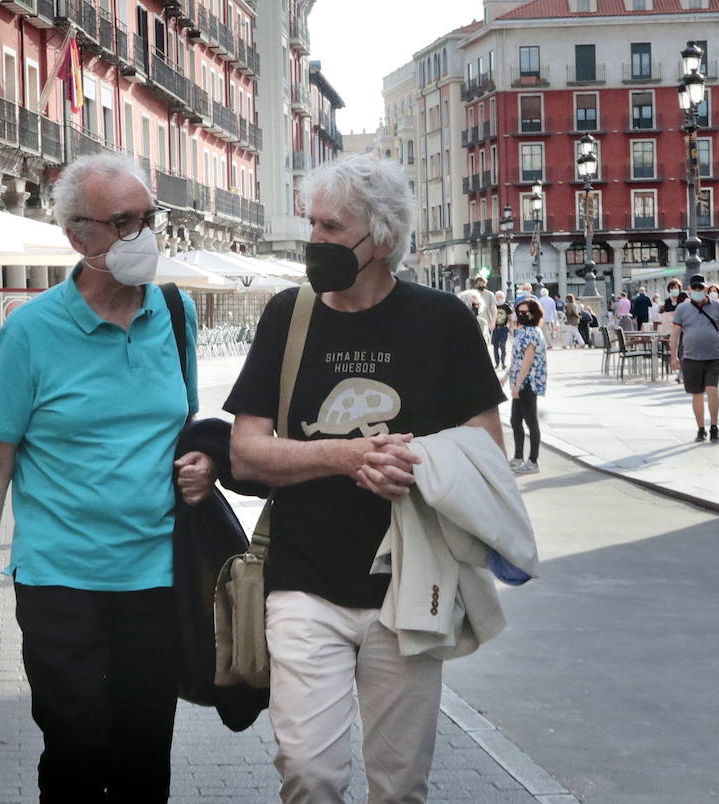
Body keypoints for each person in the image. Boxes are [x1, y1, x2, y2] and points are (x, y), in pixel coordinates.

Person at [225, 154, 506, 804]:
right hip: (303, 584)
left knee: (399, 785)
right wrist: (347, 458)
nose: (314, 241)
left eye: (330, 228)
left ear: (380, 239)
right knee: (308, 773)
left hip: (411, 588)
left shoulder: (444, 322)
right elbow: (244, 453)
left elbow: (487, 448)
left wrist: (413, 467)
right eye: (313, 225)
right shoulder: (286, 318)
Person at [0, 152, 208, 803]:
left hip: (156, 578)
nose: (143, 236)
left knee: (145, 755)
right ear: (79, 237)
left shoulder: (178, 316)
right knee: (76, 748)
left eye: (149, 219)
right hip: (61, 580)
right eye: (123, 223)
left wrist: (204, 462)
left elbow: (186, 426)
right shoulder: (31, 332)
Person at [669, 274, 719, 443]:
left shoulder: (717, 306)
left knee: (712, 389)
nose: (698, 291)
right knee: (697, 394)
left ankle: (714, 426)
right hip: (691, 357)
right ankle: (701, 428)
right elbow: (675, 334)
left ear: (706, 289)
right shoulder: (682, 309)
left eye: (701, 288)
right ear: (690, 290)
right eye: (695, 288)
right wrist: (673, 357)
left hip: (713, 356)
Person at [508, 297, 548, 474]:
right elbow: (517, 359)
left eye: (525, 312)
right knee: (515, 420)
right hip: (521, 382)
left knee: (530, 421)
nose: (521, 315)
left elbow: (528, 360)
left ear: (533, 314)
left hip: (528, 382)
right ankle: (518, 457)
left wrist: (517, 384)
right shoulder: (524, 331)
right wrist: (506, 377)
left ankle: (533, 461)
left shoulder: (531, 332)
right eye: (519, 312)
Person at [491, 291, 511, 369]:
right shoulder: (493, 306)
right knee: (495, 347)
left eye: (501, 297)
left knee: (502, 346)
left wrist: (511, 327)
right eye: (498, 297)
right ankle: (497, 363)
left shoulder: (506, 306)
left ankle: (503, 363)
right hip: (495, 329)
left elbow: (510, 317)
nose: (499, 299)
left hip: (504, 328)